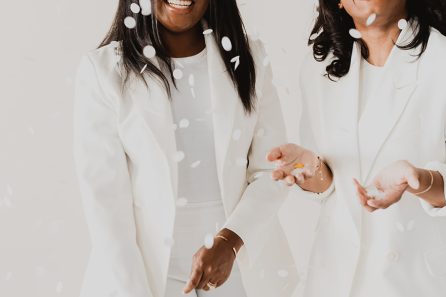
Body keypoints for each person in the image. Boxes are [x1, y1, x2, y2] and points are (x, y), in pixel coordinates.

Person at [268, 0, 446, 296]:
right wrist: (308, 167)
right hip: (339, 279)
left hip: (422, 283)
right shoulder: (320, 68)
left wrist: (419, 179)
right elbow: (330, 186)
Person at [73, 1, 297, 297]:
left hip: (241, 270)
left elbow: (272, 170)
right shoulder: (105, 71)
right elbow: (105, 205)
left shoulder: (249, 58)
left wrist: (230, 241)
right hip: (145, 276)